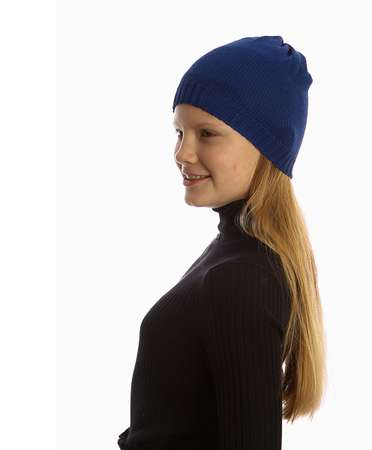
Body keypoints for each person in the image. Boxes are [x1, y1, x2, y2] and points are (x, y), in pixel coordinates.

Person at [117, 35, 327, 450]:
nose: (183, 152)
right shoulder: (232, 255)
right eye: (179, 132)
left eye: (207, 134)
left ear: (266, 146)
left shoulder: (242, 277)